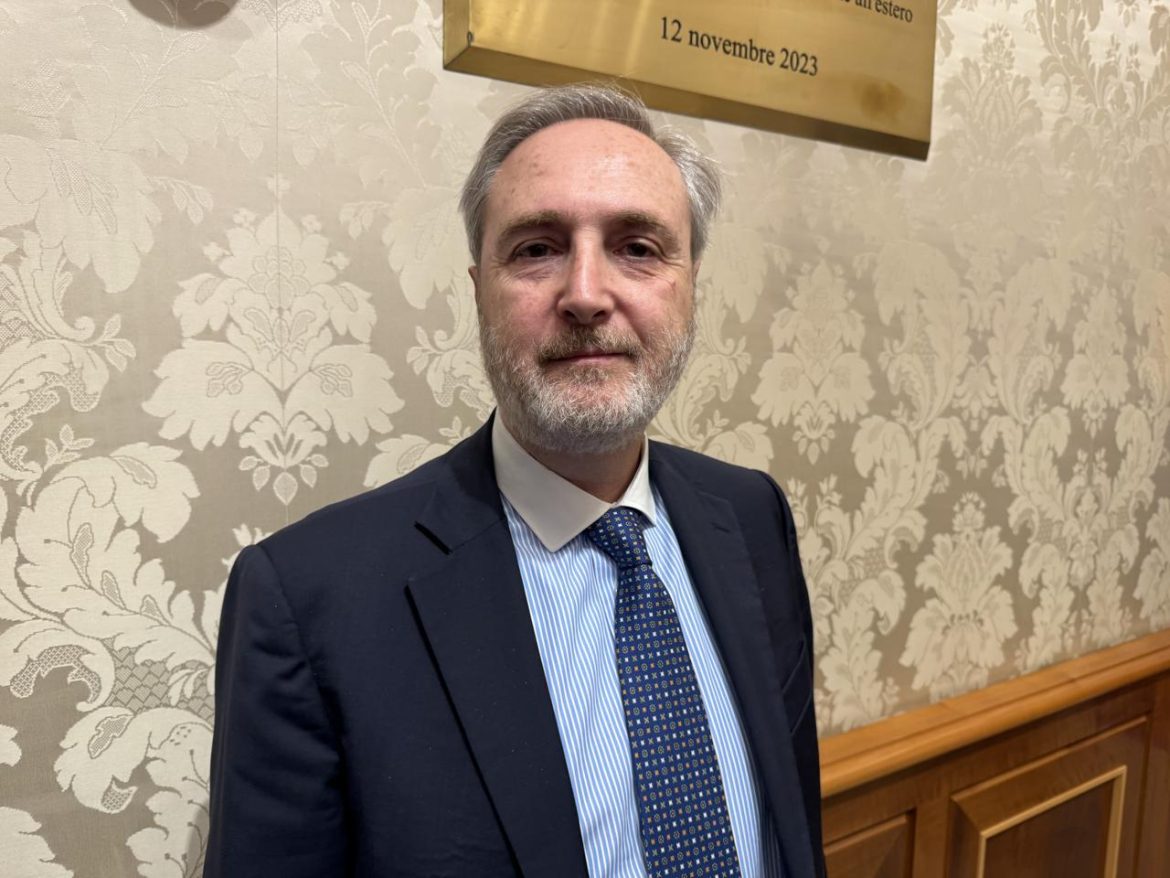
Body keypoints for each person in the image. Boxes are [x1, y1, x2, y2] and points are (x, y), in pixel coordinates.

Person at [205, 83, 824, 878]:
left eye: (638, 247)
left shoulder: (751, 515)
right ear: (480, 292)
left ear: (690, 284)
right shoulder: (309, 599)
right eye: (536, 249)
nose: (586, 295)